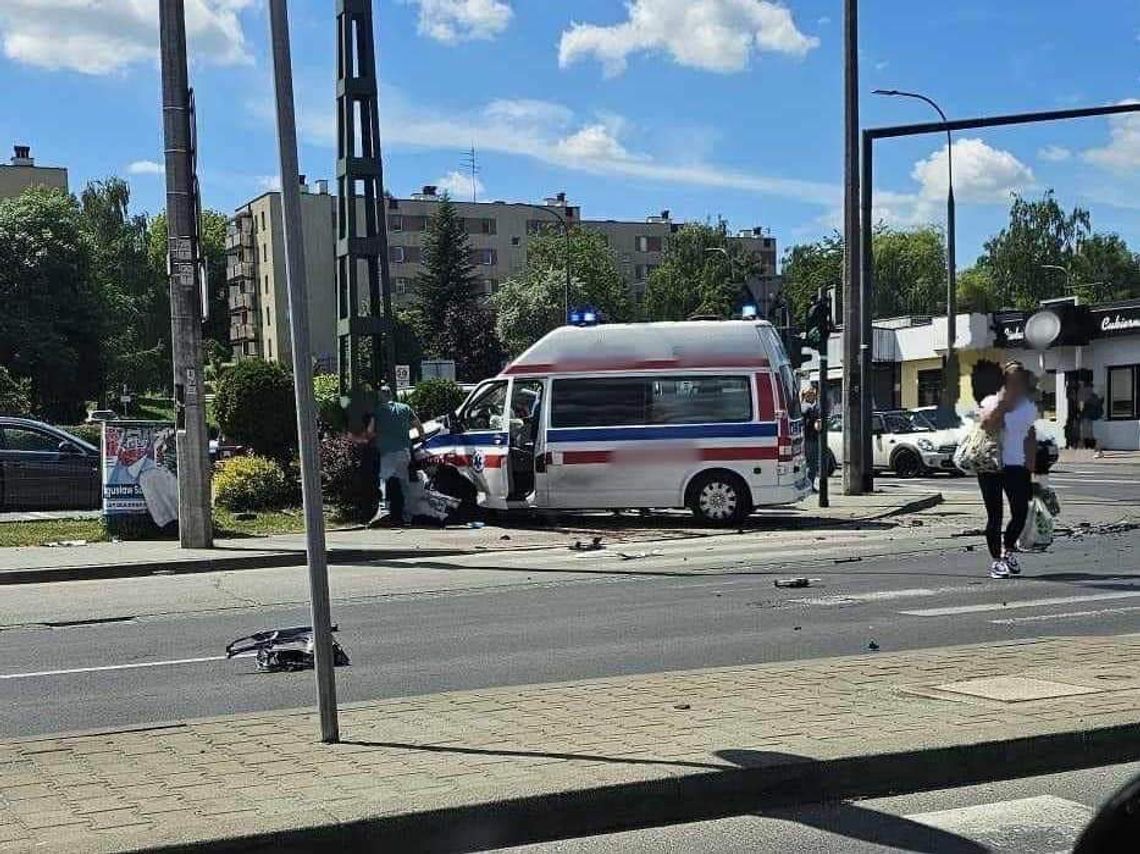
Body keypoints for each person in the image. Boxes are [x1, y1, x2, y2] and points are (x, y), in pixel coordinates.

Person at [977, 362, 1037, 579]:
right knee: (995, 515)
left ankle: (1008, 548)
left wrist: (1032, 470)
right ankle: (996, 561)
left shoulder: (1027, 406)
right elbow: (987, 425)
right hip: (990, 467)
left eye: (1020, 380)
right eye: (1012, 380)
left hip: (1016, 467)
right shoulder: (991, 401)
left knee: (1020, 512)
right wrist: (1003, 403)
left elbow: (1030, 436)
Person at [365, 386, 423, 527]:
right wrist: (421, 438)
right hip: (404, 452)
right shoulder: (405, 408)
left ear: (380, 396)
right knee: (403, 483)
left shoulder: (378, 411)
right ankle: (408, 515)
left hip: (388, 452)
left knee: (385, 481)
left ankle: (385, 512)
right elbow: (419, 426)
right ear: (391, 395)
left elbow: (370, 432)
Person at [801, 386, 821, 492]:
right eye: (809, 394)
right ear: (805, 396)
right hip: (809, 439)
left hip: (810, 438)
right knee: (811, 464)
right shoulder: (806, 407)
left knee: (810, 464)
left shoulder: (812, 407)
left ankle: (809, 485)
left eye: (813, 394)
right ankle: (809, 485)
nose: (812, 396)